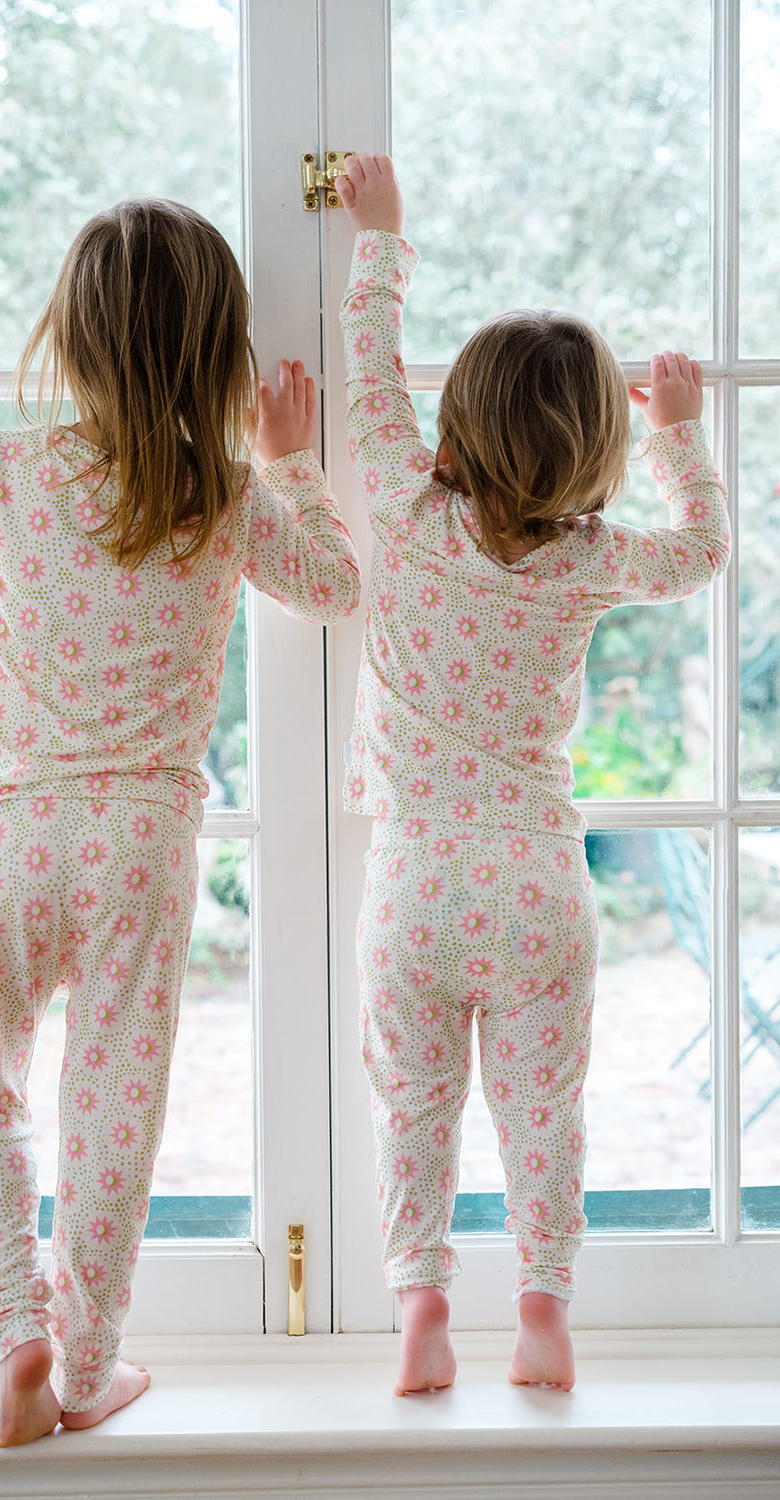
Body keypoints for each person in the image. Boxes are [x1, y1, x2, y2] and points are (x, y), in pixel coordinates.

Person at [0, 197, 360, 1445]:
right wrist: (287, 461)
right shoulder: (221, 493)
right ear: (218, 351)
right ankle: (87, 1365)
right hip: (143, 845)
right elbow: (336, 585)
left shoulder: (8, 468)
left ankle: (16, 1329)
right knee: (112, 1104)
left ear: (67, 335)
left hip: (18, 833)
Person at [333, 153, 730, 1394]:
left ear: (453, 426)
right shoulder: (593, 560)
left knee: (414, 1108)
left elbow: (366, 368)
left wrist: (380, 236)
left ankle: (420, 1306)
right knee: (542, 1111)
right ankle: (544, 1308)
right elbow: (703, 550)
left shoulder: (403, 510)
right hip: (539, 887)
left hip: (414, 885)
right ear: (593, 447)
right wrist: (680, 437)